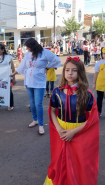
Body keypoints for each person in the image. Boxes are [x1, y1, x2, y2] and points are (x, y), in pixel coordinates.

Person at [44, 56, 99, 185]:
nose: (70, 73)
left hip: (80, 132)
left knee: (78, 160)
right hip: (61, 130)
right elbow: (52, 111)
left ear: (80, 72)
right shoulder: (57, 92)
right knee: (60, 158)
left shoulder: (87, 94)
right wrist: (58, 128)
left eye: (74, 70)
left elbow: (92, 118)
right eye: (67, 70)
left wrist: (73, 132)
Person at [10, 38, 61, 135]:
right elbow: (23, 65)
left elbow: (56, 60)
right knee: (32, 103)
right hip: (29, 81)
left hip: (39, 81)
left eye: (28, 47)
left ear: (33, 46)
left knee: (38, 104)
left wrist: (47, 67)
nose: (27, 49)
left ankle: (41, 125)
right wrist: (14, 73)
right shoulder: (28, 54)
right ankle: (35, 120)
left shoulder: (45, 52)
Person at [0, 44, 16, 112]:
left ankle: (11, 105)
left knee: (8, 91)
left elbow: (13, 68)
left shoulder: (8, 57)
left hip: (7, 78)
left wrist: (14, 78)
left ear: (3, 50)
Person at [93, 47, 105, 117]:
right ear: (102, 54)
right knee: (99, 98)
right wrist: (94, 83)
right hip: (100, 84)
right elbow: (96, 74)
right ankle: (98, 111)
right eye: (104, 53)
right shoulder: (99, 63)